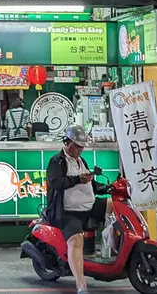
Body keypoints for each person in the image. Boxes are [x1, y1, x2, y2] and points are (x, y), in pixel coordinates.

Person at [46, 125, 111, 294]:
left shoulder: (82, 160)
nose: (80, 149)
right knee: (76, 240)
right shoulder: (56, 161)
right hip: (68, 211)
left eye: (82, 146)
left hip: (88, 206)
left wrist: (105, 187)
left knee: (115, 204)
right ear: (67, 143)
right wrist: (77, 180)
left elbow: (90, 184)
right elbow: (56, 183)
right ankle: (81, 285)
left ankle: (113, 244)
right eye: (77, 145)